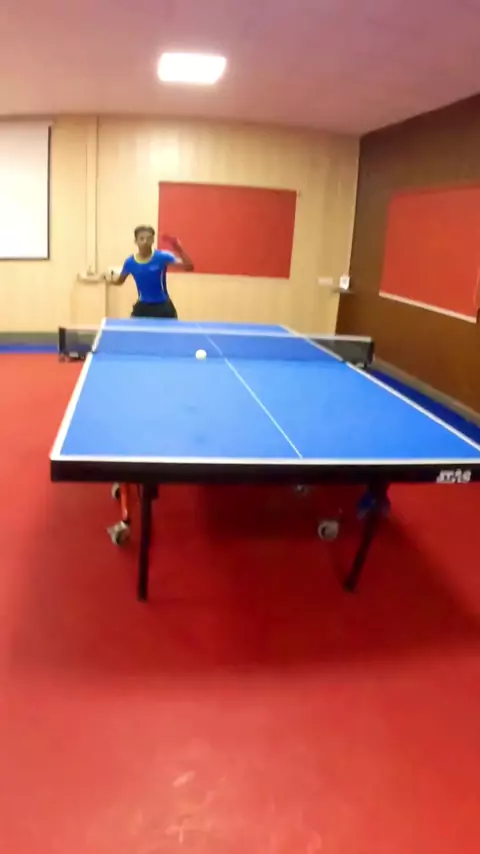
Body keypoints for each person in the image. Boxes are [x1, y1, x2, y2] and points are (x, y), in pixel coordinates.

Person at [110, 225, 194, 318]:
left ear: (153, 240)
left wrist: (178, 249)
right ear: (136, 241)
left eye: (149, 238)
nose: (145, 241)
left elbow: (189, 267)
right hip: (142, 307)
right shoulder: (130, 262)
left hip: (163, 307)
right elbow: (119, 281)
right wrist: (107, 279)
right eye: (141, 238)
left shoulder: (162, 257)